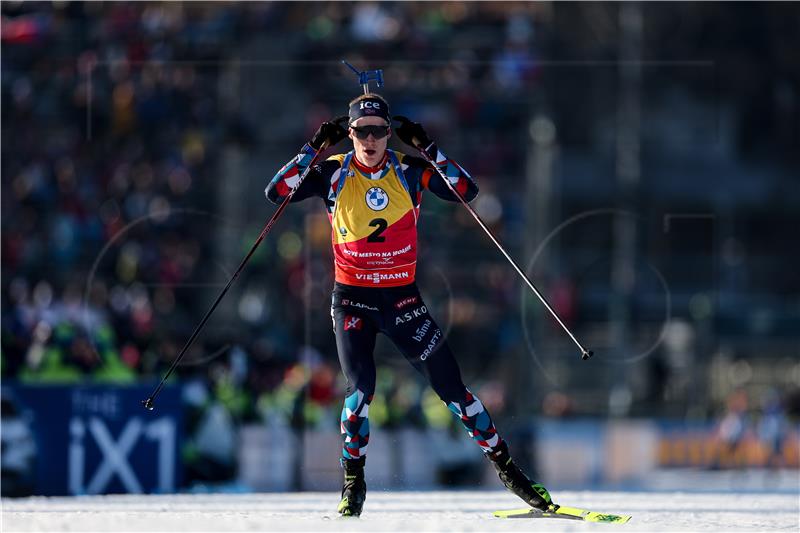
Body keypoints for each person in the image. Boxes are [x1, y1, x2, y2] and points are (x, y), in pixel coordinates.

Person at [266, 92, 554, 516]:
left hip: (402, 300)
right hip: (353, 301)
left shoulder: (408, 169)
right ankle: (353, 481)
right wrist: (313, 148)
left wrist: (427, 147)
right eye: (362, 131)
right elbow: (276, 193)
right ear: (350, 133)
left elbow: (466, 191)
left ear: (388, 134)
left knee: (455, 392)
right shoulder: (332, 172)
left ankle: (510, 471)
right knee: (360, 392)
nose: (370, 139)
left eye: (379, 131)